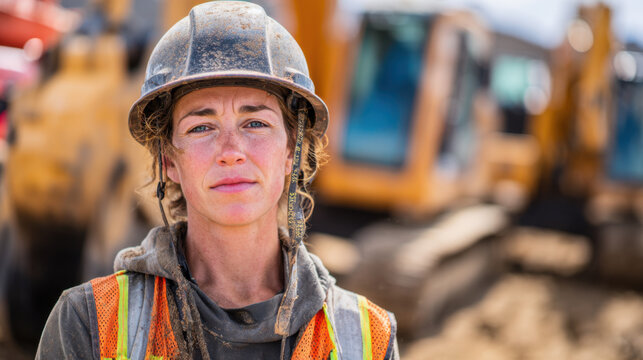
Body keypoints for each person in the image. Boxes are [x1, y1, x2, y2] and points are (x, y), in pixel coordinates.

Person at [36, 1, 398, 359]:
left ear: (292, 150)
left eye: (256, 123)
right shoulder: (90, 323)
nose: (231, 151)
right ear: (169, 161)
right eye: (202, 127)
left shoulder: (367, 338)